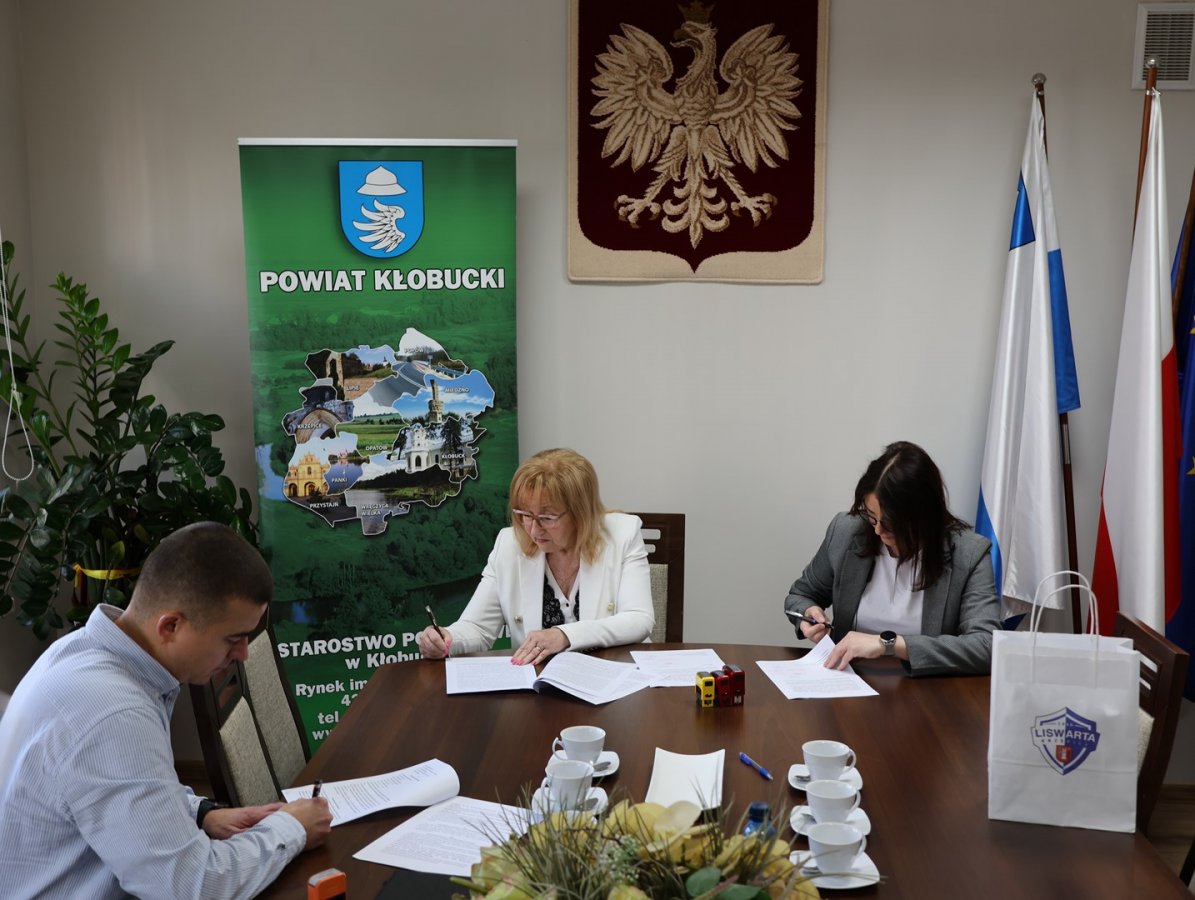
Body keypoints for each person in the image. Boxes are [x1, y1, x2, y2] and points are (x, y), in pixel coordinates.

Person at [0, 522, 332, 899]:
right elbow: (191, 888)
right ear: (171, 626)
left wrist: (199, 813)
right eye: (233, 639)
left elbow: (110, 789)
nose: (243, 654)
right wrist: (292, 828)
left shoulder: (82, 651)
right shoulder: (113, 712)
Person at [417, 448, 654, 665]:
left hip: (613, 678)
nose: (533, 529)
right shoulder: (508, 544)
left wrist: (564, 635)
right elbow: (478, 628)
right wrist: (448, 638)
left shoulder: (623, 534)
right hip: (538, 687)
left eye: (547, 518)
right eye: (525, 515)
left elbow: (639, 619)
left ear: (580, 513)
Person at [784, 441, 999, 676]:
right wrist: (808, 614)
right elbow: (801, 595)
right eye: (871, 516)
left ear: (924, 516)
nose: (878, 530)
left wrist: (889, 644)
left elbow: (986, 646)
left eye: (891, 523)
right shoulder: (846, 532)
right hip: (848, 681)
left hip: (927, 690)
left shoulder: (968, 554)